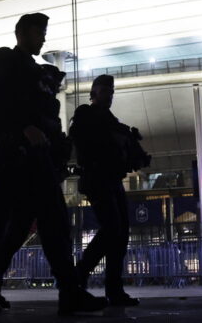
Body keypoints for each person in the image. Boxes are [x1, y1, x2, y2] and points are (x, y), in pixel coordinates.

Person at [0, 13, 108, 315]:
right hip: (13, 154)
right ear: (21, 33)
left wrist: (58, 149)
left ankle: (68, 292)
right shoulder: (6, 59)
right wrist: (20, 128)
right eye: (38, 32)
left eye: (44, 32)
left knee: (51, 223)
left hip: (39, 160)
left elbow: (47, 118)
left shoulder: (40, 72)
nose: (43, 38)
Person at [69, 74, 150, 306]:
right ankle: (81, 273)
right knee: (113, 227)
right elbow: (85, 142)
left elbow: (125, 152)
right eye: (105, 90)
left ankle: (113, 289)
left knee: (121, 231)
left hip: (112, 179)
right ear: (94, 92)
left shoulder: (115, 123)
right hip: (96, 178)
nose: (110, 95)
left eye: (112, 91)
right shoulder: (86, 114)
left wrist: (134, 155)